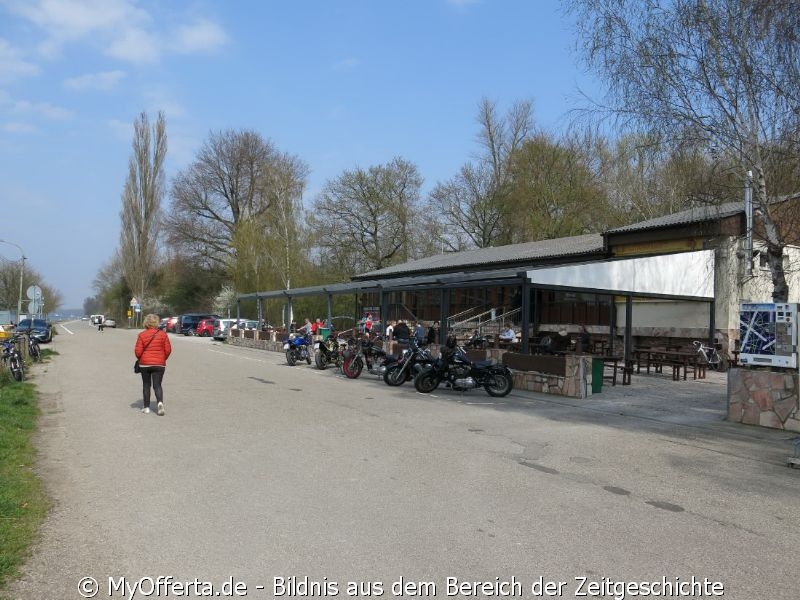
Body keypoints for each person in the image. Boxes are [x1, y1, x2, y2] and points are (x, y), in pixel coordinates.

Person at [135, 313, 172, 416]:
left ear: (146, 323)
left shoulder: (142, 335)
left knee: (146, 385)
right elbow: (168, 350)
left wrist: (141, 359)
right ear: (157, 323)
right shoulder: (163, 334)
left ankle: (146, 407)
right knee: (157, 385)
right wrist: (162, 359)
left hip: (145, 364)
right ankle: (160, 403)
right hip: (159, 364)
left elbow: (138, 352)